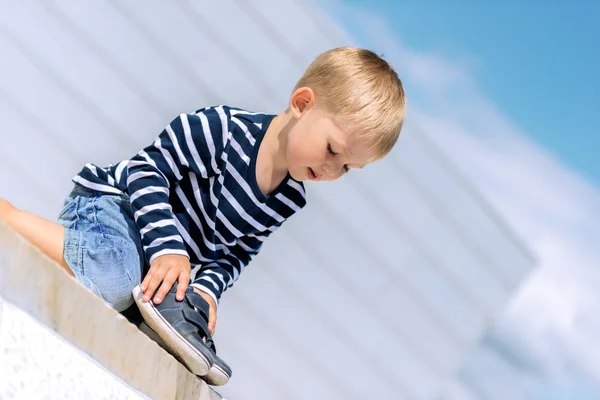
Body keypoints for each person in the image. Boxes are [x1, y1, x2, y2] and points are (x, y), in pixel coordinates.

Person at [0, 47, 406, 386]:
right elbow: (145, 171)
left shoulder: (287, 198)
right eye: (333, 150)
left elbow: (235, 256)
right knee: (117, 280)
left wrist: (206, 291)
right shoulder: (223, 130)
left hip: (159, 259)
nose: (333, 170)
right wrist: (169, 249)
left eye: (348, 168)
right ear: (302, 104)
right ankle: (8, 217)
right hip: (116, 210)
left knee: (154, 314)